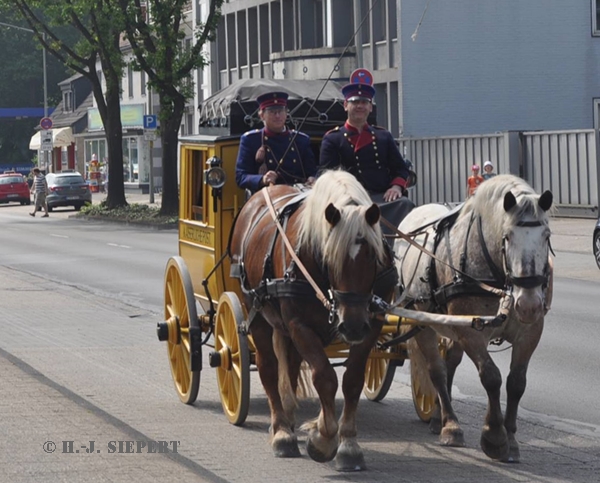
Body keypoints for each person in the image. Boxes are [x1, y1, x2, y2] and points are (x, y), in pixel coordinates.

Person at [319, 79, 415, 233]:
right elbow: (327, 175)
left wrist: (396, 187)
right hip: (349, 200)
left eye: (364, 102)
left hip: (383, 198)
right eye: (354, 101)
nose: (360, 106)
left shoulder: (383, 136)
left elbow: (400, 169)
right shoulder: (333, 139)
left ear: (370, 107)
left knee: (405, 204)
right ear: (345, 105)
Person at [235, 91, 317, 192]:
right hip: (266, 195)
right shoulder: (251, 140)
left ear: (286, 113)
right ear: (262, 115)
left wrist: (312, 178)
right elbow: (241, 177)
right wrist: (262, 179)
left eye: (281, 111)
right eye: (272, 112)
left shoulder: (301, 140)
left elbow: (312, 171)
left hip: (297, 192)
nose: (277, 116)